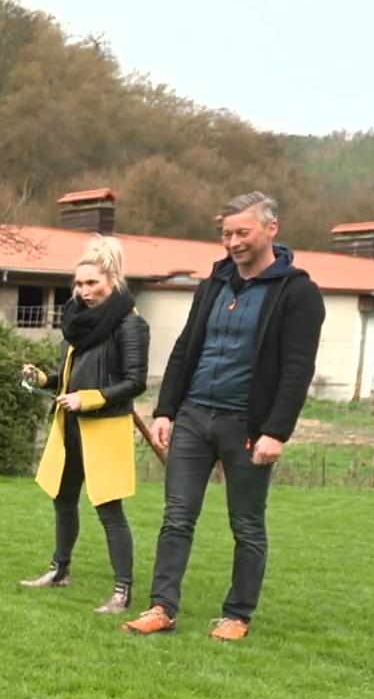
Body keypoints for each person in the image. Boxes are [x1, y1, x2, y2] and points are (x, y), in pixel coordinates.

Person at [124, 192, 324, 641]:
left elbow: (297, 368)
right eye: (226, 234)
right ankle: (162, 607)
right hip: (194, 416)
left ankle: (237, 615)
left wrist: (276, 431)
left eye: (242, 233)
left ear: (271, 229)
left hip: (247, 426)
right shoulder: (213, 285)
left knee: (247, 524)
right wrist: (165, 410)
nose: (232, 242)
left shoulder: (299, 293)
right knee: (176, 516)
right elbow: (185, 349)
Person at [19, 234, 149, 613]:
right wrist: (43, 378)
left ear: (112, 281)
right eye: (78, 283)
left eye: (91, 283)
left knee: (109, 510)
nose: (83, 290)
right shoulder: (76, 322)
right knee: (63, 500)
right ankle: (60, 571)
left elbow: (135, 381)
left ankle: (123, 592)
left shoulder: (130, 324)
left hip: (105, 426)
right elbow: (68, 375)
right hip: (70, 426)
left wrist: (87, 398)